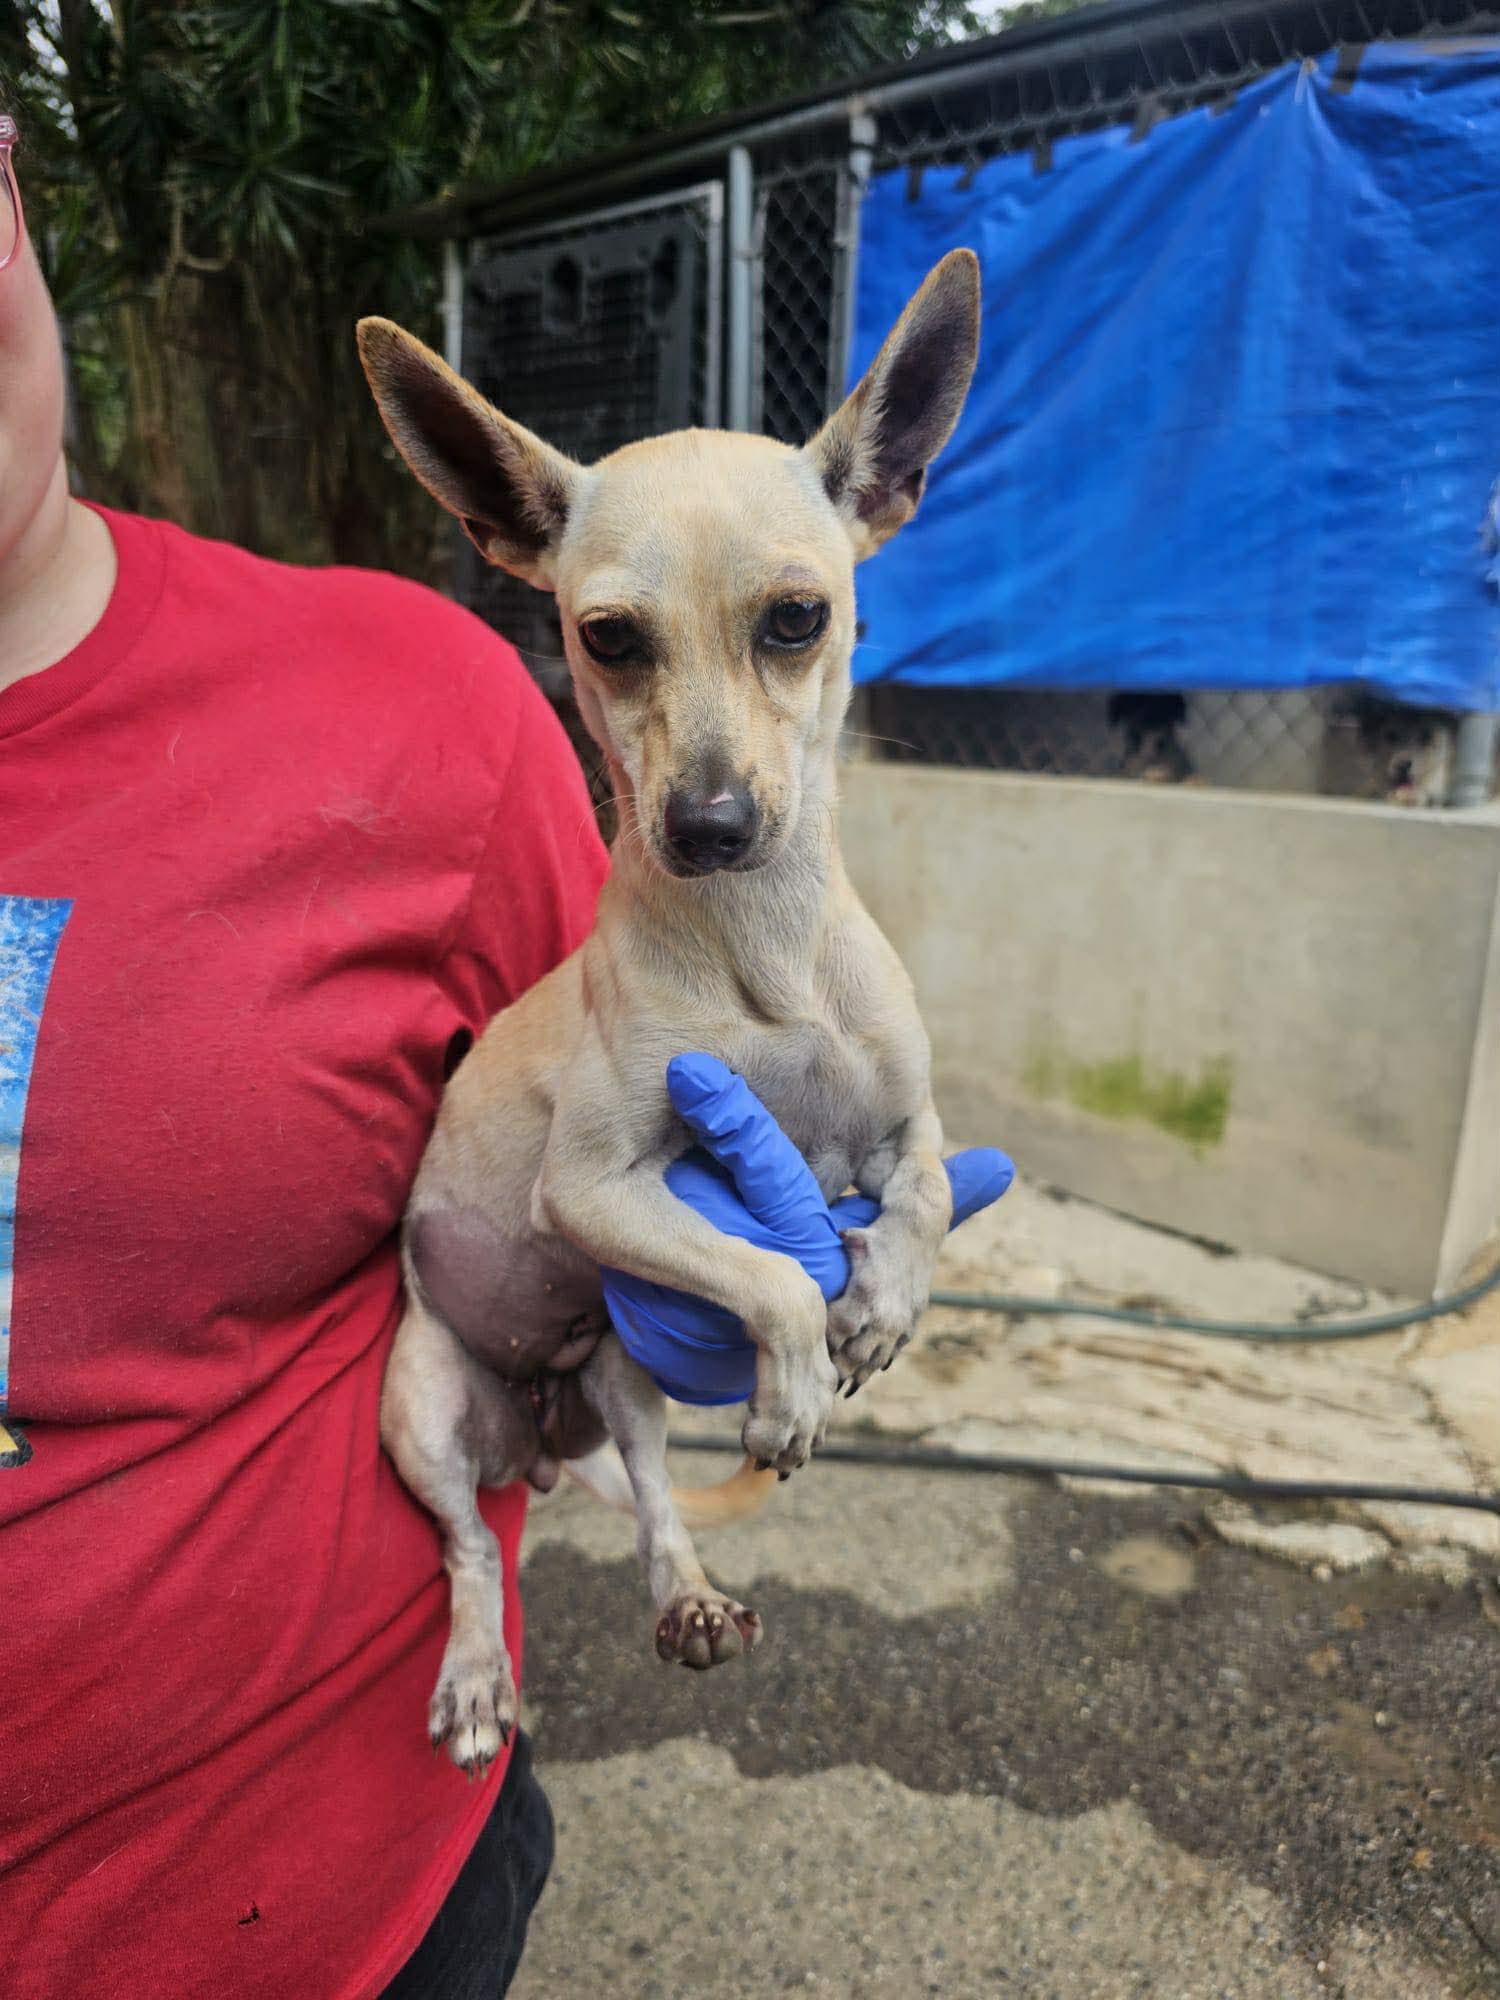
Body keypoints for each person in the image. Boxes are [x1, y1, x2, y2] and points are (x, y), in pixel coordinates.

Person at [1, 115, 1012, 1999]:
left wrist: (820, 1263)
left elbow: (612, 1136)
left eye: (788, 630)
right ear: (518, 544)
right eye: (620, 655)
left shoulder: (421, 724)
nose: (706, 772)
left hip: (363, 1863)